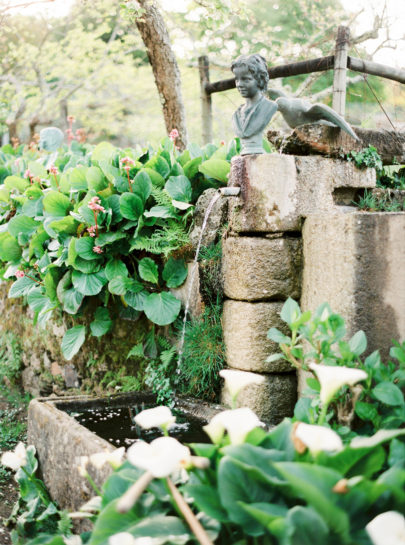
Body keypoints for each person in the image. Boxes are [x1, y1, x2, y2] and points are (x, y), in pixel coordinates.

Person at [231, 54, 277, 155]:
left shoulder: (268, 107)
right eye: (237, 79)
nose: (239, 84)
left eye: (246, 79)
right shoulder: (236, 115)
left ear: (260, 80)